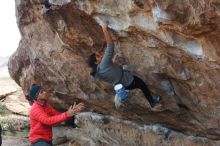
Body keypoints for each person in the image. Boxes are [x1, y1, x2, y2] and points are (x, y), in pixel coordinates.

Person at [87, 21, 162, 111]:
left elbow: (110, 72)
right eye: (98, 56)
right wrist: (104, 29)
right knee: (142, 84)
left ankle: (122, 94)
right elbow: (110, 46)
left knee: (139, 83)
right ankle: (152, 102)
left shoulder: (97, 73)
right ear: (96, 62)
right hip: (127, 80)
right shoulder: (104, 64)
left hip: (120, 84)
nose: (100, 55)